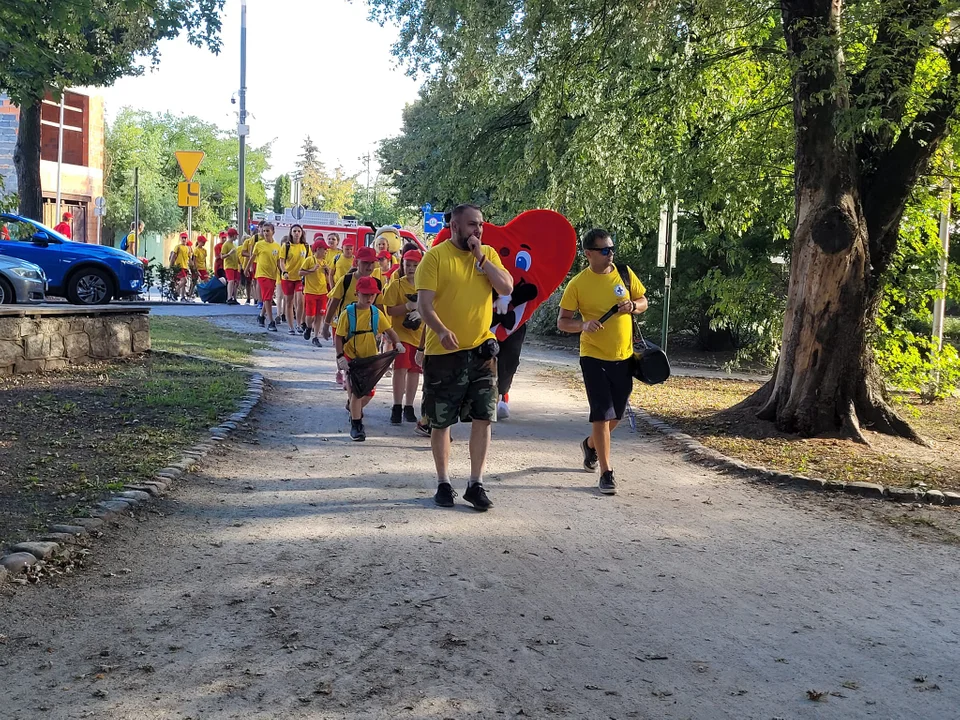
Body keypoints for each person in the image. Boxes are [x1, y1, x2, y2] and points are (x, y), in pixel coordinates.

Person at [415, 204, 513, 511]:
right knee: (441, 422)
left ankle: (475, 483)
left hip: (482, 352)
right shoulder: (435, 258)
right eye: (472, 225)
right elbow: (424, 306)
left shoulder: (488, 256)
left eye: (481, 225)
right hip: (444, 353)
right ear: (455, 226)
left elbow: (507, 287)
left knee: (484, 417)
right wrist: (442, 330)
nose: (478, 230)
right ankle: (444, 483)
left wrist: (481, 257)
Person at [557, 228, 648, 495]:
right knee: (602, 412)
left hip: (623, 355)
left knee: (616, 415)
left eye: (612, 249)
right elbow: (562, 321)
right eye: (604, 250)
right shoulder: (578, 284)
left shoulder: (624, 274)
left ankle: (591, 445)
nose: (611, 254)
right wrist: (583, 324)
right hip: (593, 356)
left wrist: (633, 306)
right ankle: (607, 473)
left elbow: (643, 301)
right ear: (588, 254)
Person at [335, 275, 403, 442]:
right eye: (365, 294)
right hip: (352, 358)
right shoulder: (347, 314)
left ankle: (352, 407)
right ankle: (357, 425)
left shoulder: (376, 314)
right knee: (357, 393)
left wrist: (398, 343)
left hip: (369, 360)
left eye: (372, 295)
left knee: (369, 393)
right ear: (357, 293)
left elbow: (389, 330)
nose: (369, 298)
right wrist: (340, 357)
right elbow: (338, 337)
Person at [384, 249, 424, 425]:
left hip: (420, 334)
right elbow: (390, 310)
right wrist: (408, 306)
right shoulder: (396, 285)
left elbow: (434, 305)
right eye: (408, 265)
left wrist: (421, 312)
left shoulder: (426, 285)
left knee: (415, 370)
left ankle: (409, 406)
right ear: (403, 264)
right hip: (401, 334)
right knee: (400, 369)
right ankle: (397, 405)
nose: (411, 268)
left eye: (415, 265)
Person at [300, 239, 329, 346]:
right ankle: (308, 327)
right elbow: (300, 272)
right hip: (311, 291)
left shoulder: (324, 262)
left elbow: (327, 277)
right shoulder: (309, 260)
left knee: (320, 315)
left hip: (322, 292)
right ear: (318, 249)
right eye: (324, 249)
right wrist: (311, 270)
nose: (326, 251)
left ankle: (316, 337)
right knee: (310, 316)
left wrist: (328, 271)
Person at [279, 225, 309, 334]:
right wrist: (284, 271)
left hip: (300, 278)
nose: (296, 233)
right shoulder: (286, 246)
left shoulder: (305, 246)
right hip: (288, 278)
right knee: (289, 302)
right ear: (291, 233)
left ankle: (299, 323)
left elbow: (309, 261)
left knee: (300, 301)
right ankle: (290, 326)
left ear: (302, 233)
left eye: (298, 231)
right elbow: (281, 261)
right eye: (294, 231)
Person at [252, 223, 281, 331]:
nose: (265, 233)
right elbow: (253, 257)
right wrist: (247, 268)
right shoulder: (259, 245)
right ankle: (271, 321)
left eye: (268, 231)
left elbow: (278, 261)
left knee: (267, 297)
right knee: (267, 298)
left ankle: (261, 316)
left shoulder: (277, 246)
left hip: (272, 275)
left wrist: (283, 271)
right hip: (262, 274)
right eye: (264, 231)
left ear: (273, 232)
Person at [169, 232, 192, 302]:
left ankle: (182, 297)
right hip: (179, 266)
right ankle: (175, 292)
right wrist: (171, 266)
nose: (184, 239)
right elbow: (173, 257)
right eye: (182, 238)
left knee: (184, 283)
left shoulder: (188, 248)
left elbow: (189, 259)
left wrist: (192, 268)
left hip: (185, 267)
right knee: (184, 280)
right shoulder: (178, 247)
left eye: (185, 238)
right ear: (180, 238)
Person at [222, 228, 241, 304]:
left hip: (235, 266)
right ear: (233, 236)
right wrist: (229, 253)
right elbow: (222, 256)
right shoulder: (226, 244)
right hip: (229, 266)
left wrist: (239, 263)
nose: (237, 237)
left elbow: (236, 255)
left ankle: (234, 298)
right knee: (231, 281)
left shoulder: (233, 244)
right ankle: (229, 297)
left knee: (235, 282)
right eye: (236, 235)